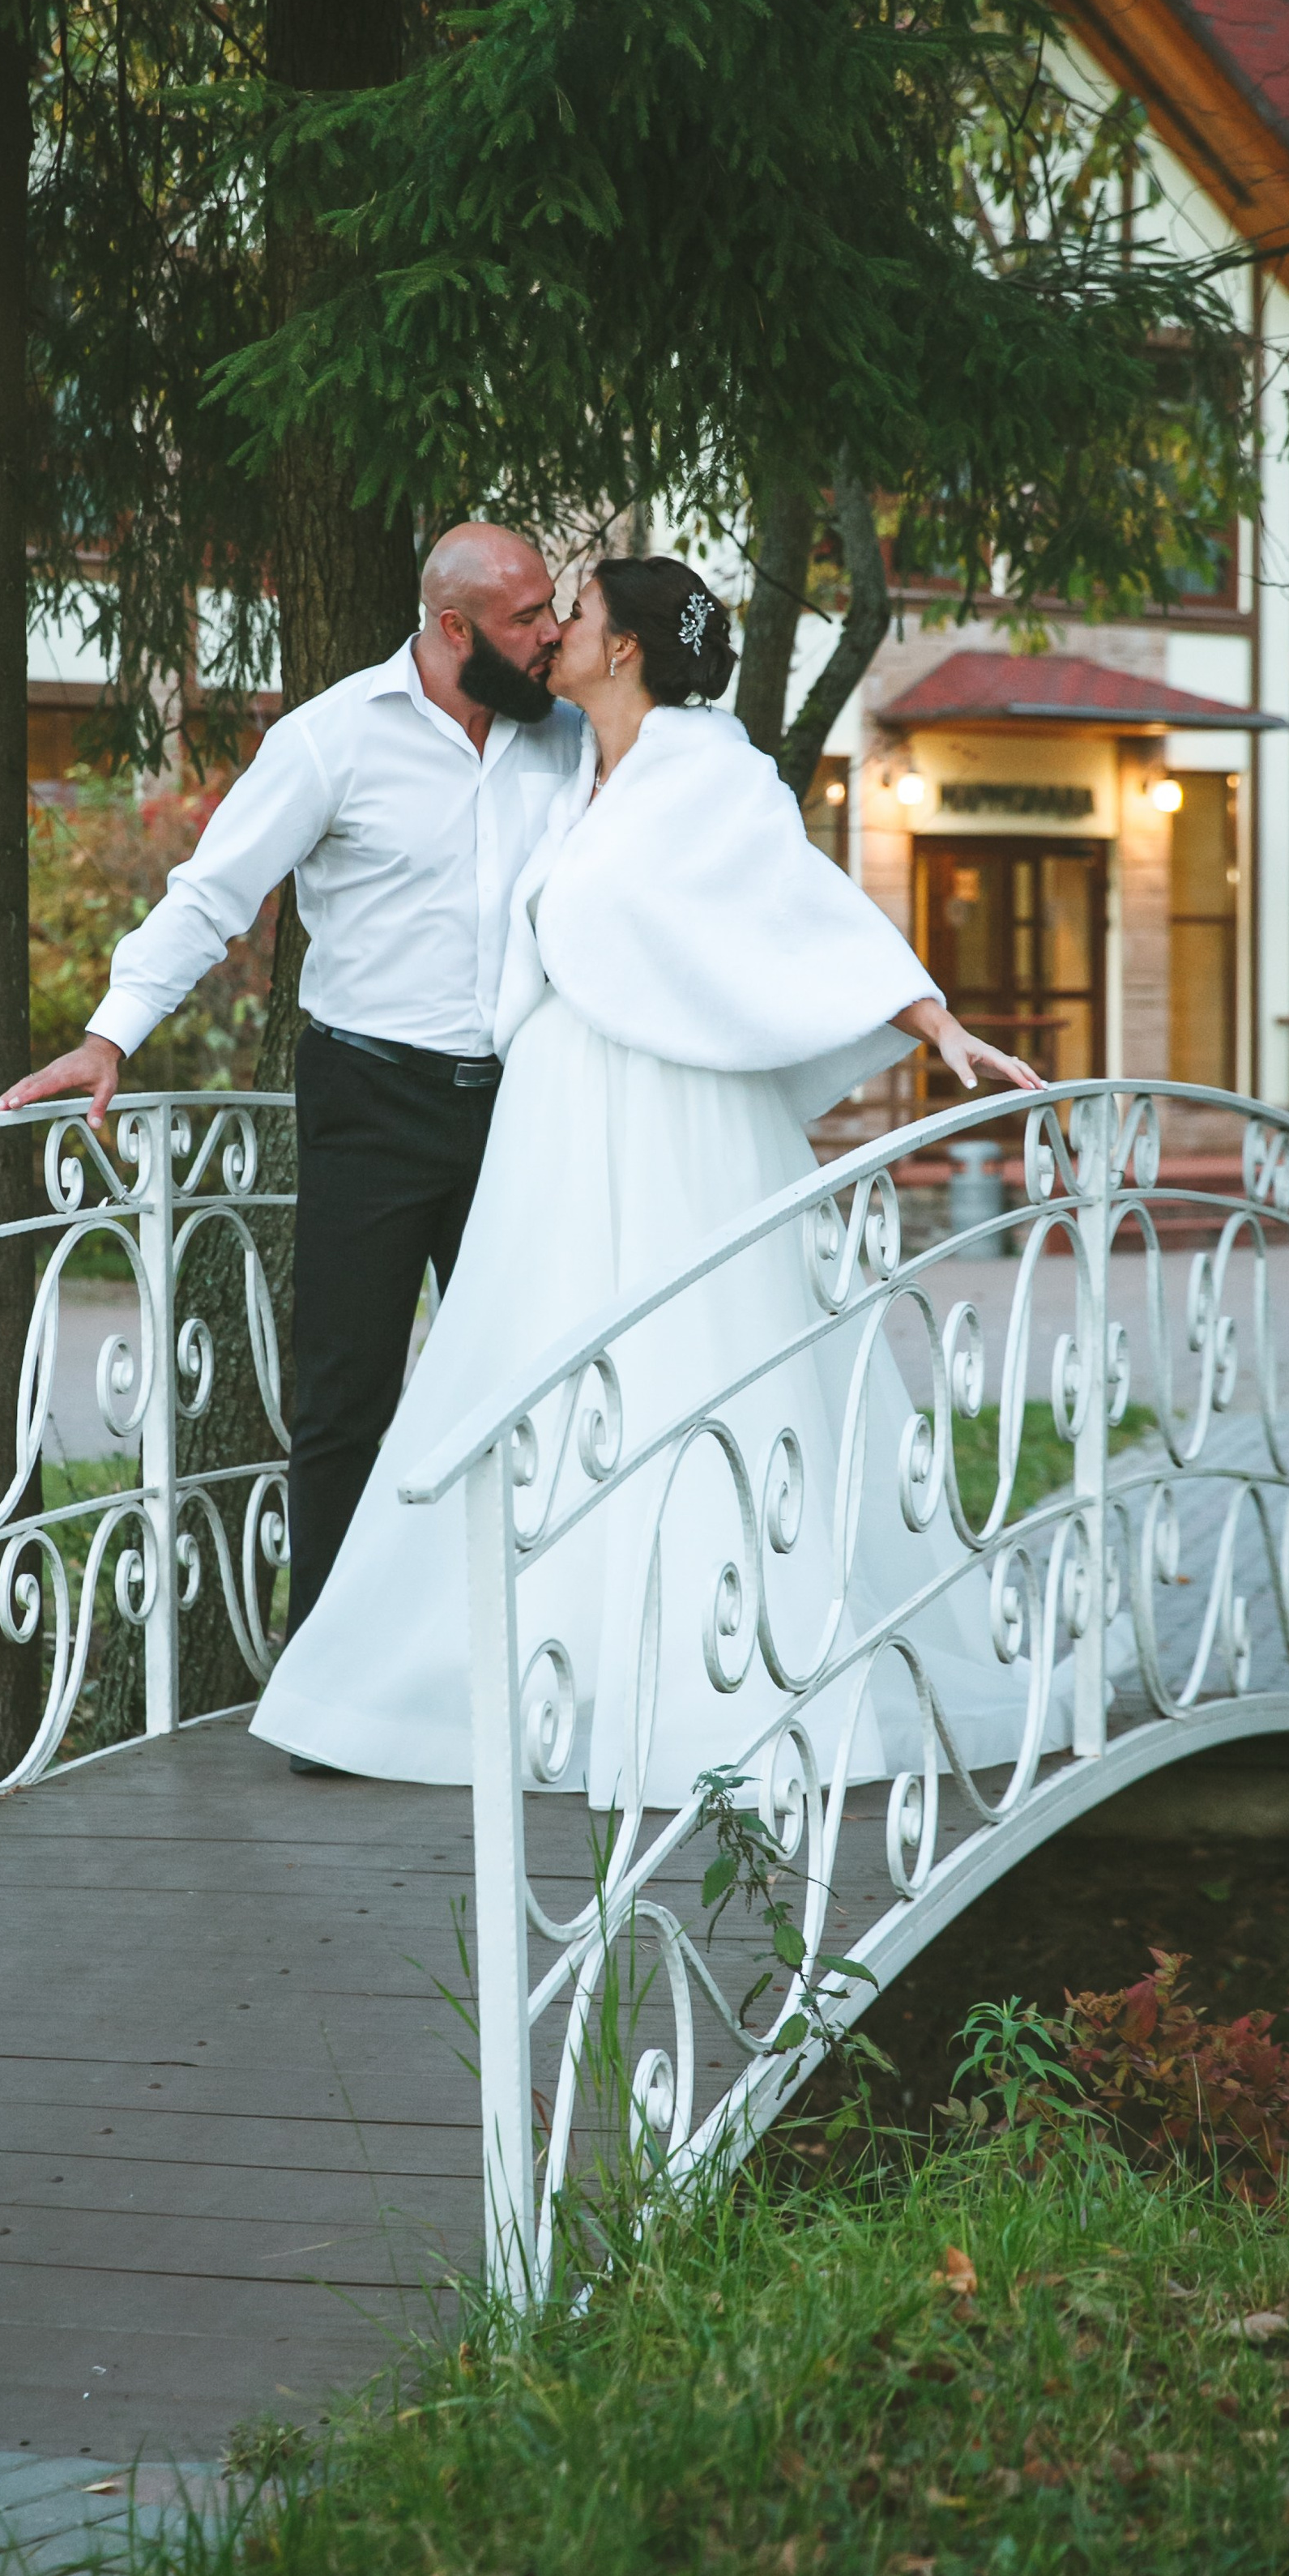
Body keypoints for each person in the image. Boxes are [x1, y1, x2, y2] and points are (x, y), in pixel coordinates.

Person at [249, 552, 1048, 1810]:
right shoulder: (570, 757)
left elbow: (801, 905)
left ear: (623, 647)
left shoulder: (709, 769)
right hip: (557, 1119)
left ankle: (716, 1663)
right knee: (530, 1370)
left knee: (689, 1357)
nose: (556, 630)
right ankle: (480, 1665)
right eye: (547, 612)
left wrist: (933, 1022)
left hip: (669, 1111)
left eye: (578, 616)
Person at [0, 525, 583, 1751]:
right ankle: (330, 1701)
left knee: (533, 1391)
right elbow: (212, 893)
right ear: (454, 629)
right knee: (343, 1401)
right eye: (529, 616)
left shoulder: (565, 736)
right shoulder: (330, 738)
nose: (554, 633)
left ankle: (535, 1672)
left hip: (526, 1103)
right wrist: (112, 1036)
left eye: (554, 608)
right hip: (370, 1100)